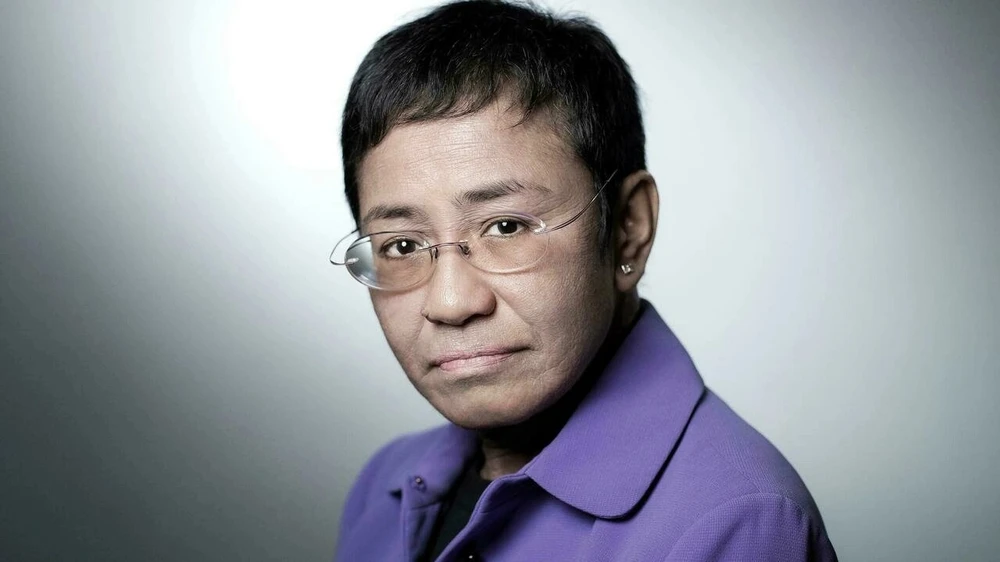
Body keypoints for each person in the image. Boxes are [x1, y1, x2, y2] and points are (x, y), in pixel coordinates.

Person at [330, 1, 837, 560]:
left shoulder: (737, 521)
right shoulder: (383, 486)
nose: (450, 303)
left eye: (506, 226)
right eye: (402, 245)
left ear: (627, 228)